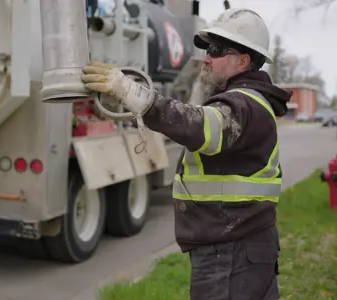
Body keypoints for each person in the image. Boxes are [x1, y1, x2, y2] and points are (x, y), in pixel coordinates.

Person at [81, 8, 292, 300]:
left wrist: (131, 92)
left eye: (217, 50)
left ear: (243, 60)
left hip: (231, 251)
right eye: (206, 48)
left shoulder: (247, 106)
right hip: (235, 245)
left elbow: (200, 126)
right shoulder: (240, 102)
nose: (206, 56)